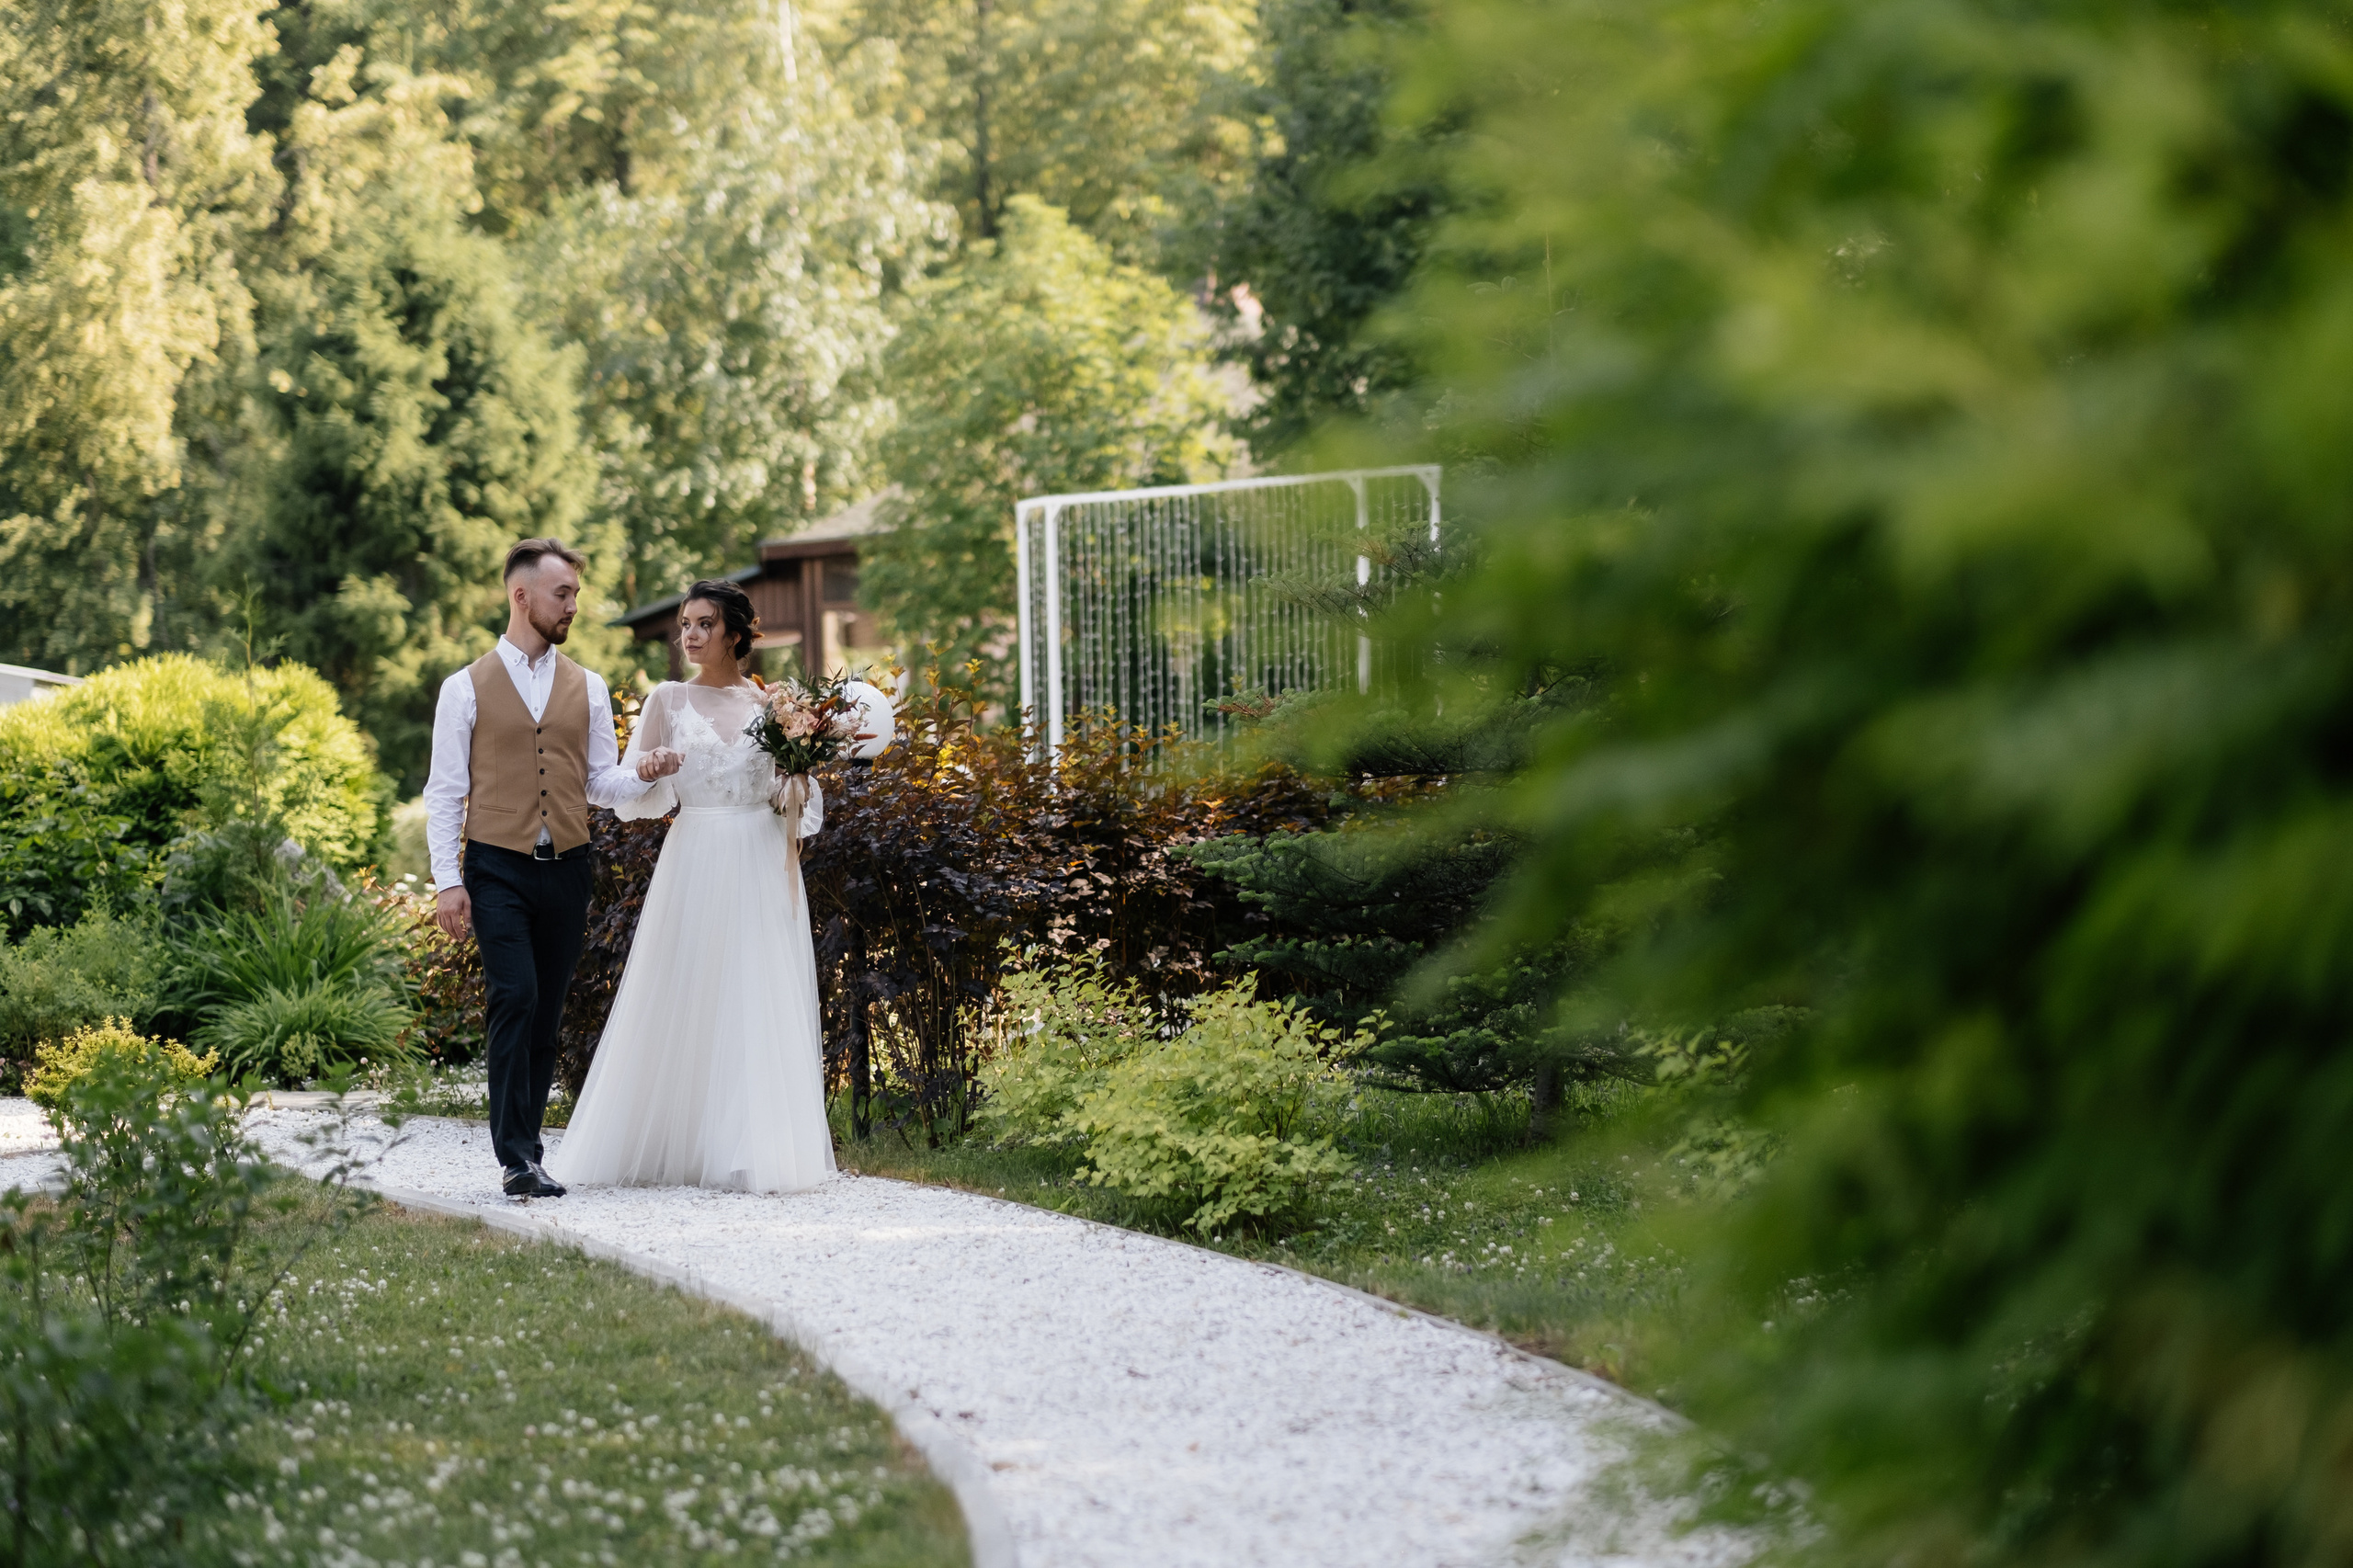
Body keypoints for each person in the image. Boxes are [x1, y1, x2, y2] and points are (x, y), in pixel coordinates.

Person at [543, 579, 835, 1193]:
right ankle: (673, 1141)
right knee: (688, 988)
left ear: (736, 632)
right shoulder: (667, 701)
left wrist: (794, 778)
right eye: (684, 625)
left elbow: (802, 810)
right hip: (695, 853)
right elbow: (633, 801)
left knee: (754, 995)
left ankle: (749, 1149)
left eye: (704, 624)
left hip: (759, 858)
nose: (690, 636)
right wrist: (648, 770)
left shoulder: (774, 708)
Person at [423, 539, 676, 1199]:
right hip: (495, 867)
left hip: (566, 866)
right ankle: (513, 1156)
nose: (571, 606)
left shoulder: (587, 686)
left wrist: (641, 774)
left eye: (574, 596)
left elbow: (599, 783)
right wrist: (447, 881)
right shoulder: (464, 688)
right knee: (516, 995)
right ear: (521, 596)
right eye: (562, 594)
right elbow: (445, 791)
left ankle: (529, 1153)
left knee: (546, 1011)